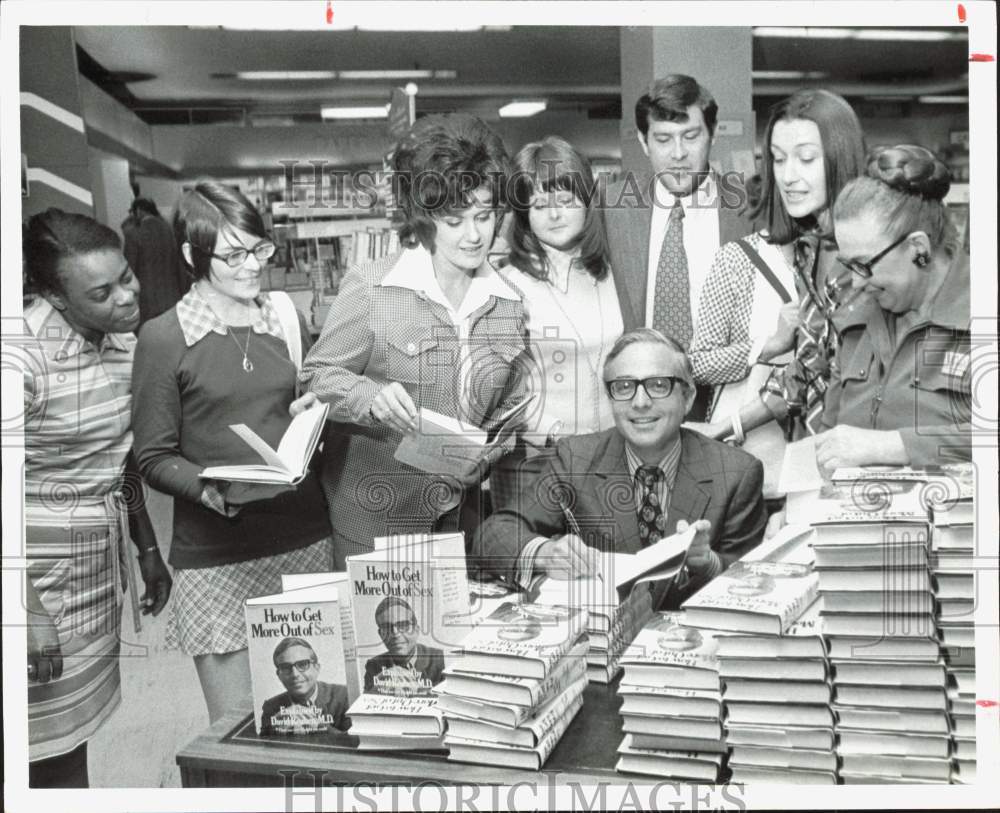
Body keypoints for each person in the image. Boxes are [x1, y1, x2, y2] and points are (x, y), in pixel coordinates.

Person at [131, 181, 334, 724]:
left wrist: (314, 408)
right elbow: (153, 455)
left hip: (303, 538)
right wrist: (205, 488)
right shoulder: (163, 338)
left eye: (260, 249)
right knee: (237, 728)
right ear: (191, 256)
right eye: (234, 255)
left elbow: (306, 401)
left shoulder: (284, 317)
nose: (253, 267)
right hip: (217, 555)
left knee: (311, 722)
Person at [300, 113, 527, 564]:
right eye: (455, 219)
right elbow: (316, 377)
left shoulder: (509, 301)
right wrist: (371, 395)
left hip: (459, 517)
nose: (475, 234)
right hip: (374, 520)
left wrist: (487, 455)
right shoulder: (372, 287)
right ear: (425, 217)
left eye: (485, 215)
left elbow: (508, 408)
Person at [22, 209, 172, 788]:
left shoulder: (119, 342)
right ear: (56, 299)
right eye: (101, 292)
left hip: (90, 571)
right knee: (34, 746)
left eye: (126, 277)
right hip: (32, 579)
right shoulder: (24, 357)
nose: (126, 297)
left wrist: (146, 546)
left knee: (68, 736)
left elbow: (124, 455)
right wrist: (27, 613)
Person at [473, 328, 767, 610]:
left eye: (658, 385)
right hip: (601, 641)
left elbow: (756, 582)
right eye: (624, 387)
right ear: (611, 399)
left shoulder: (737, 473)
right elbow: (492, 535)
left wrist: (708, 562)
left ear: (687, 397)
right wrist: (545, 553)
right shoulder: (576, 459)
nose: (640, 402)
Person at [689, 90, 866, 492]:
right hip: (814, 460)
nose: (788, 176)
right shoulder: (810, 251)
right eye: (778, 158)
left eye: (806, 159)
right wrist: (727, 425)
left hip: (862, 462)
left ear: (841, 159)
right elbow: (808, 370)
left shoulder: (867, 257)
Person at [815, 144, 970, 475]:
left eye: (864, 265)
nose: (855, 283)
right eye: (847, 265)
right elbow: (831, 436)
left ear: (918, 249)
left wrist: (892, 447)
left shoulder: (982, 312)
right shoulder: (855, 317)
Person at [490, 135, 624, 508]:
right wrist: (555, 436)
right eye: (538, 204)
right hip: (537, 464)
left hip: (616, 458)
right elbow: (496, 390)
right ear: (523, 215)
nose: (554, 215)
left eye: (566, 200)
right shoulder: (504, 285)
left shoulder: (614, 273)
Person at [260, 637, 350, 734]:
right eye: (285, 667)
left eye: (302, 664)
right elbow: (264, 745)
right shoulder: (271, 707)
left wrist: (318, 726)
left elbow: (355, 742)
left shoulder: (345, 696)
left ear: (317, 668)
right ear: (279, 675)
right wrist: (274, 729)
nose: (295, 674)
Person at [122, 197, 189, 325]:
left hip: (148, 301)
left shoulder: (135, 233)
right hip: (172, 298)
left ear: (139, 211)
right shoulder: (170, 230)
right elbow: (181, 266)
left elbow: (129, 271)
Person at [363, 597, 446, 695]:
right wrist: (379, 685)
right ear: (381, 634)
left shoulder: (441, 660)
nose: (395, 633)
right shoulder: (374, 666)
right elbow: (366, 705)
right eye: (386, 628)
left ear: (416, 630)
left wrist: (419, 691)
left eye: (403, 625)